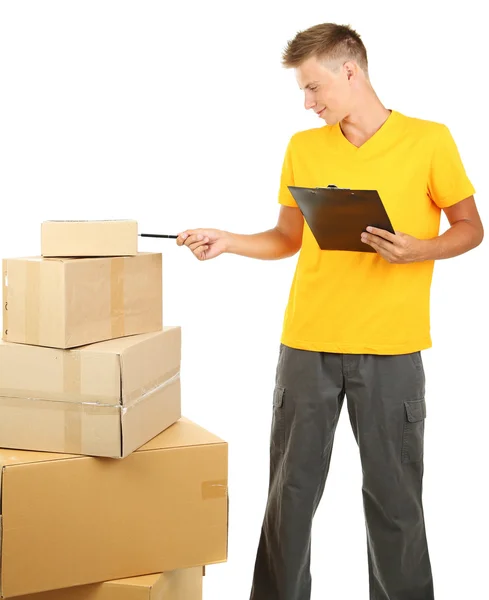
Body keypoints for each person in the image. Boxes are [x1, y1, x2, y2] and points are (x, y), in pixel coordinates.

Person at [176, 22, 484, 600]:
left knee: (395, 502)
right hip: (307, 344)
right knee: (288, 499)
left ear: (351, 70)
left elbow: (470, 228)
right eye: (302, 91)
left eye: (314, 87)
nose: (307, 102)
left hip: (391, 348)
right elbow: (286, 238)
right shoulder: (304, 147)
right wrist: (228, 240)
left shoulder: (429, 140)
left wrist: (422, 249)